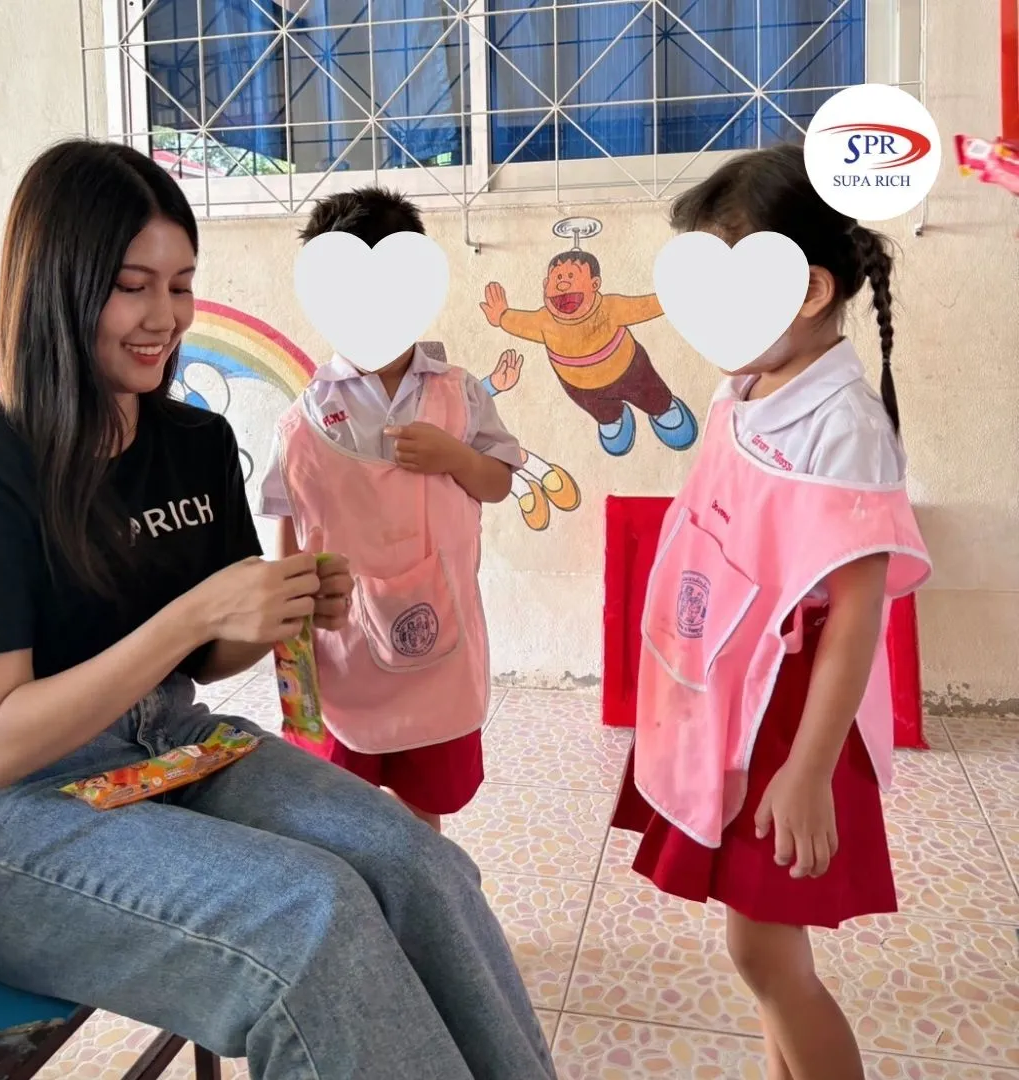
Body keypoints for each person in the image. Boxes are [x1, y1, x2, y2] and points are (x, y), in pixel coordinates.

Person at [0, 140, 557, 1080]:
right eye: (132, 287)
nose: (164, 318)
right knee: (313, 918)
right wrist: (192, 617)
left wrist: (280, 611)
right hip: (6, 813)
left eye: (182, 285)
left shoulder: (193, 440)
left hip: (169, 741)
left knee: (421, 870)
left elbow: (212, 659)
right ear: (56, 287)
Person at [611, 143, 932, 1080]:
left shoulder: (844, 426)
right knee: (763, 954)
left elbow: (857, 621)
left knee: (765, 956)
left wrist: (808, 769)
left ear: (808, 291)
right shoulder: (746, 388)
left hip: (795, 717)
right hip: (735, 693)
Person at [259, 188, 521, 834]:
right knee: (343, 809)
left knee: (423, 803)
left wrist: (455, 457)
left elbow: (496, 483)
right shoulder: (306, 416)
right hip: (342, 650)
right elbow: (286, 528)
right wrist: (289, 636)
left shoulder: (459, 393)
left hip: (441, 649)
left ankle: (423, 884)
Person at [480, 249, 698, 456]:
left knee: (651, 393)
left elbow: (645, 306)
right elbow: (519, 322)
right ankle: (612, 420)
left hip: (631, 370)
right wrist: (501, 316)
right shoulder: (543, 321)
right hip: (582, 387)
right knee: (600, 409)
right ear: (545, 286)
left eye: (571, 276)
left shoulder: (610, 307)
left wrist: (676, 295)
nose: (563, 284)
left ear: (595, 284)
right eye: (557, 278)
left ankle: (662, 408)